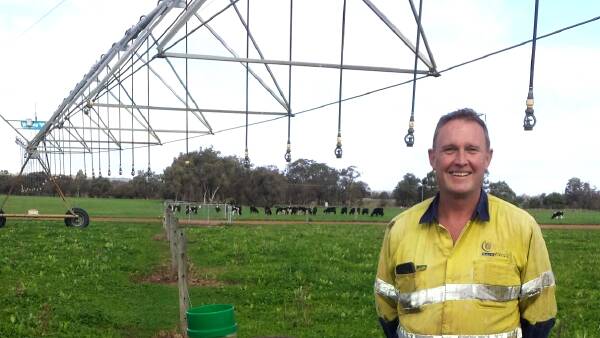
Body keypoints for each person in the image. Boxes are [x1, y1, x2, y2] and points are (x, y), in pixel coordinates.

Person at [374, 108, 556, 338]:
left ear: (487, 158)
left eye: (471, 149)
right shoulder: (399, 229)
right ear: (433, 158)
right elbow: (387, 311)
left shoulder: (523, 228)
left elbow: (540, 317)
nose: (461, 160)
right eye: (450, 149)